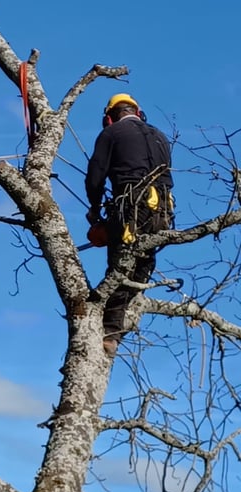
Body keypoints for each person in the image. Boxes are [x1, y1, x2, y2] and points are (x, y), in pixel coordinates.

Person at [85, 93, 174, 356]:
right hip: (162, 212)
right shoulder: (161, 137)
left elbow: (95, 177)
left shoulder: (111, 134)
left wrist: (94, 208)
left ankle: (110, 332)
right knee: (144, 263)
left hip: (131, 210)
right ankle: (119, 326)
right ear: (139, 113)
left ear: (109, 117)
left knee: (119, 267)